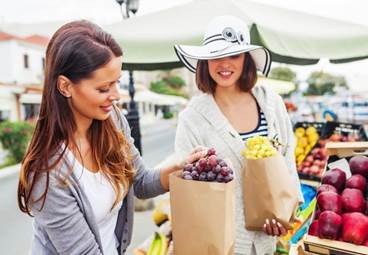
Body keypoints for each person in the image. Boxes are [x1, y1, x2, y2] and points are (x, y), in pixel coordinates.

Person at [17, 20, 206, 255]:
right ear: (65, 86)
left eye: (116, 82)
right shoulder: (47, 172)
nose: (116, 95)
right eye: (103, 88)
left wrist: (180, 167)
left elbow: (142, 182)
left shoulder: (113, 121)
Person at [174, 15, 304, 255]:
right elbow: (188, 185)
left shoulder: (271, 103)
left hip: (266, 241)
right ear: (205, 61)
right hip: (217, 244)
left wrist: (285, 210)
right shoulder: (191, 117)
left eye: (234, 55)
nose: (225, 64)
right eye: (215, 56)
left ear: (246, 59)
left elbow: (287, 160)